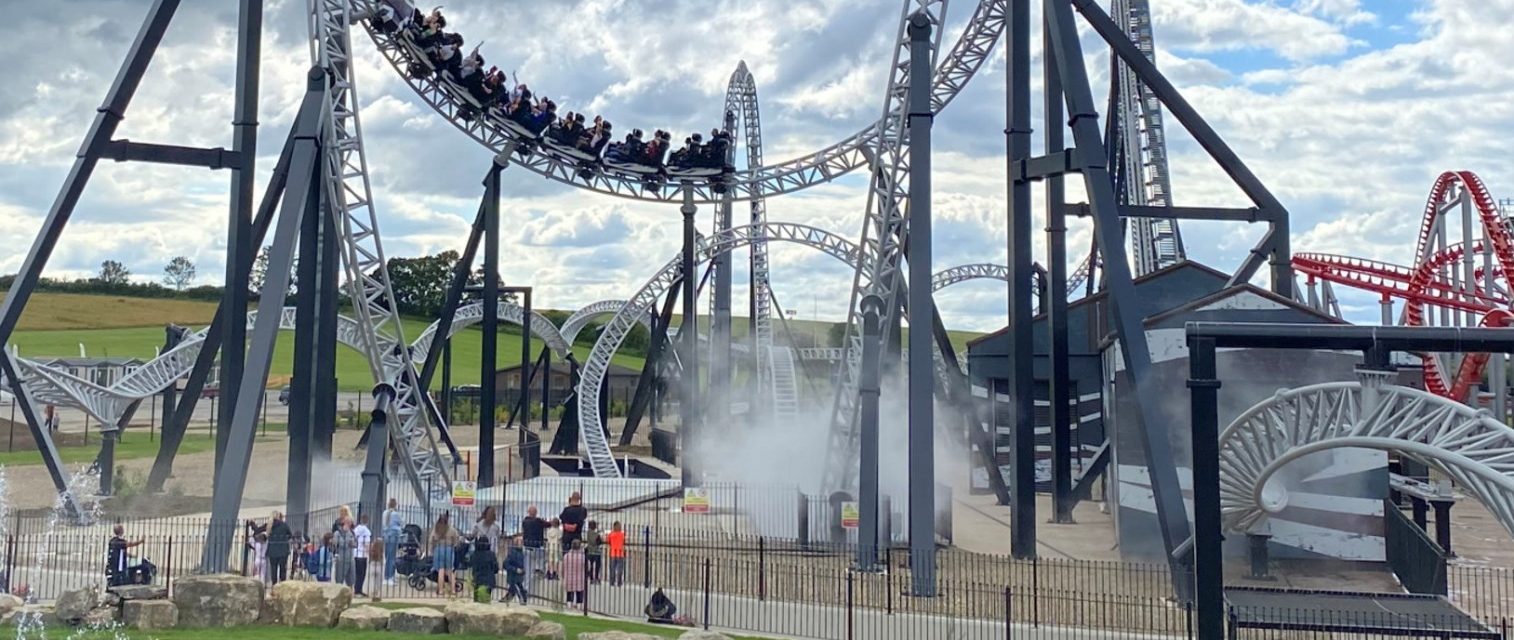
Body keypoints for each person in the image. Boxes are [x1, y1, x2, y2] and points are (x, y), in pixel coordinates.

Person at [430, 512, 460, 597]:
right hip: (449, 549)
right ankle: (453, 590)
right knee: (450, 570)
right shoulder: (451, 529)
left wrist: (432, 550)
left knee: (441, 570)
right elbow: (456, 539)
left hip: (439, 548)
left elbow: (431, 539)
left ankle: (440, 590)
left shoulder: (436, 529)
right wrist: (453, 545)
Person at [266, 511, 293, 585]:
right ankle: (282, 585)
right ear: (279, 517)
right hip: (283, 550)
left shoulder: (269, 526)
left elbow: (260, 532)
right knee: (282, 569)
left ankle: (273, 585)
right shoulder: (284, 525)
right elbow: (290, 535)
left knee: (273, 569)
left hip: (272, 551)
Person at [469, 537, 498, 603]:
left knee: (476, 601)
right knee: (486, 601)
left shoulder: (475, 554)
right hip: (489, 580)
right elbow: (496, 568)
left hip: (478, 580)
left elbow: (470, 564)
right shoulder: (491, 554)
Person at [502, 534, 528, 604]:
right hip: (513, 574)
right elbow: (506, 564)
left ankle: (508, 598)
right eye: (520, 541)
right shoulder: (512, 552)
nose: (522, 543)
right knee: (517, 587)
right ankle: (522, 599)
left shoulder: (522, 552)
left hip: (518, 574)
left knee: (515, 587)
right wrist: (516, 569)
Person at [521, 506, 546, 576]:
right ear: (536, 513)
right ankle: (539, 569)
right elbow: (548, 524)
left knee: (528, 562)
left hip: (527, 545)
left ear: (528, 512)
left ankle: (529, 571)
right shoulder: (538, 521)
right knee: (540, 558)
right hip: (537, 545)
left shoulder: (525, 521)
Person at [382, 498, 403, 585]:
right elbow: (402, 523)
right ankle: (390, 576)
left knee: (387, 557)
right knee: (392, 557)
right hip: (394, 535)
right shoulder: (396, 514)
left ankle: (386, 577)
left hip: (386, 536)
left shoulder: (385, 513)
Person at [332, 519, 357, 589]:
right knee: (339, 578)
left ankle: (351, 592)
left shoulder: (352, 532)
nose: (349, 525)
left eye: (350, 523)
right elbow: (335, 543)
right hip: (341, 559)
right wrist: (347, 543)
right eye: (348, 523)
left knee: (351, 578)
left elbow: (355, 543)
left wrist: (353, 544)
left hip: (351, 558)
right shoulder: (337, 533)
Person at [353, 514, 372, 596]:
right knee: (362, 574)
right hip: (363, 554)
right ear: (367, 521)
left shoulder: (356, 530)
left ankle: (356, 589)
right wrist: (369, 554)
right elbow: (367, 544)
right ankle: (358, 589)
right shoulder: (366, 531)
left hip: (355, 553)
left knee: (357, 573)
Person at [562, 541, 586, 606]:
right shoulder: (583, 557)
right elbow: (588, 567)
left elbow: (563, 567)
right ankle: (579, 604)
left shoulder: (566, 556)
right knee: (579, 592)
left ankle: (569, 603)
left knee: (569, 592)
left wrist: (563, 575)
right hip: (579, 578)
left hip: (569, 577)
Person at [607, 521, 627, 587]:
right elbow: (624, 542)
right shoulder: (622, 534)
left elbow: (608, 542)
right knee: (620, 569)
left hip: (612, 553)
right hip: (620, 553)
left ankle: (612, 582)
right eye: (620, 526)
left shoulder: (610, 534)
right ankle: (619, 582)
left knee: (612, 568)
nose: (620, 527)